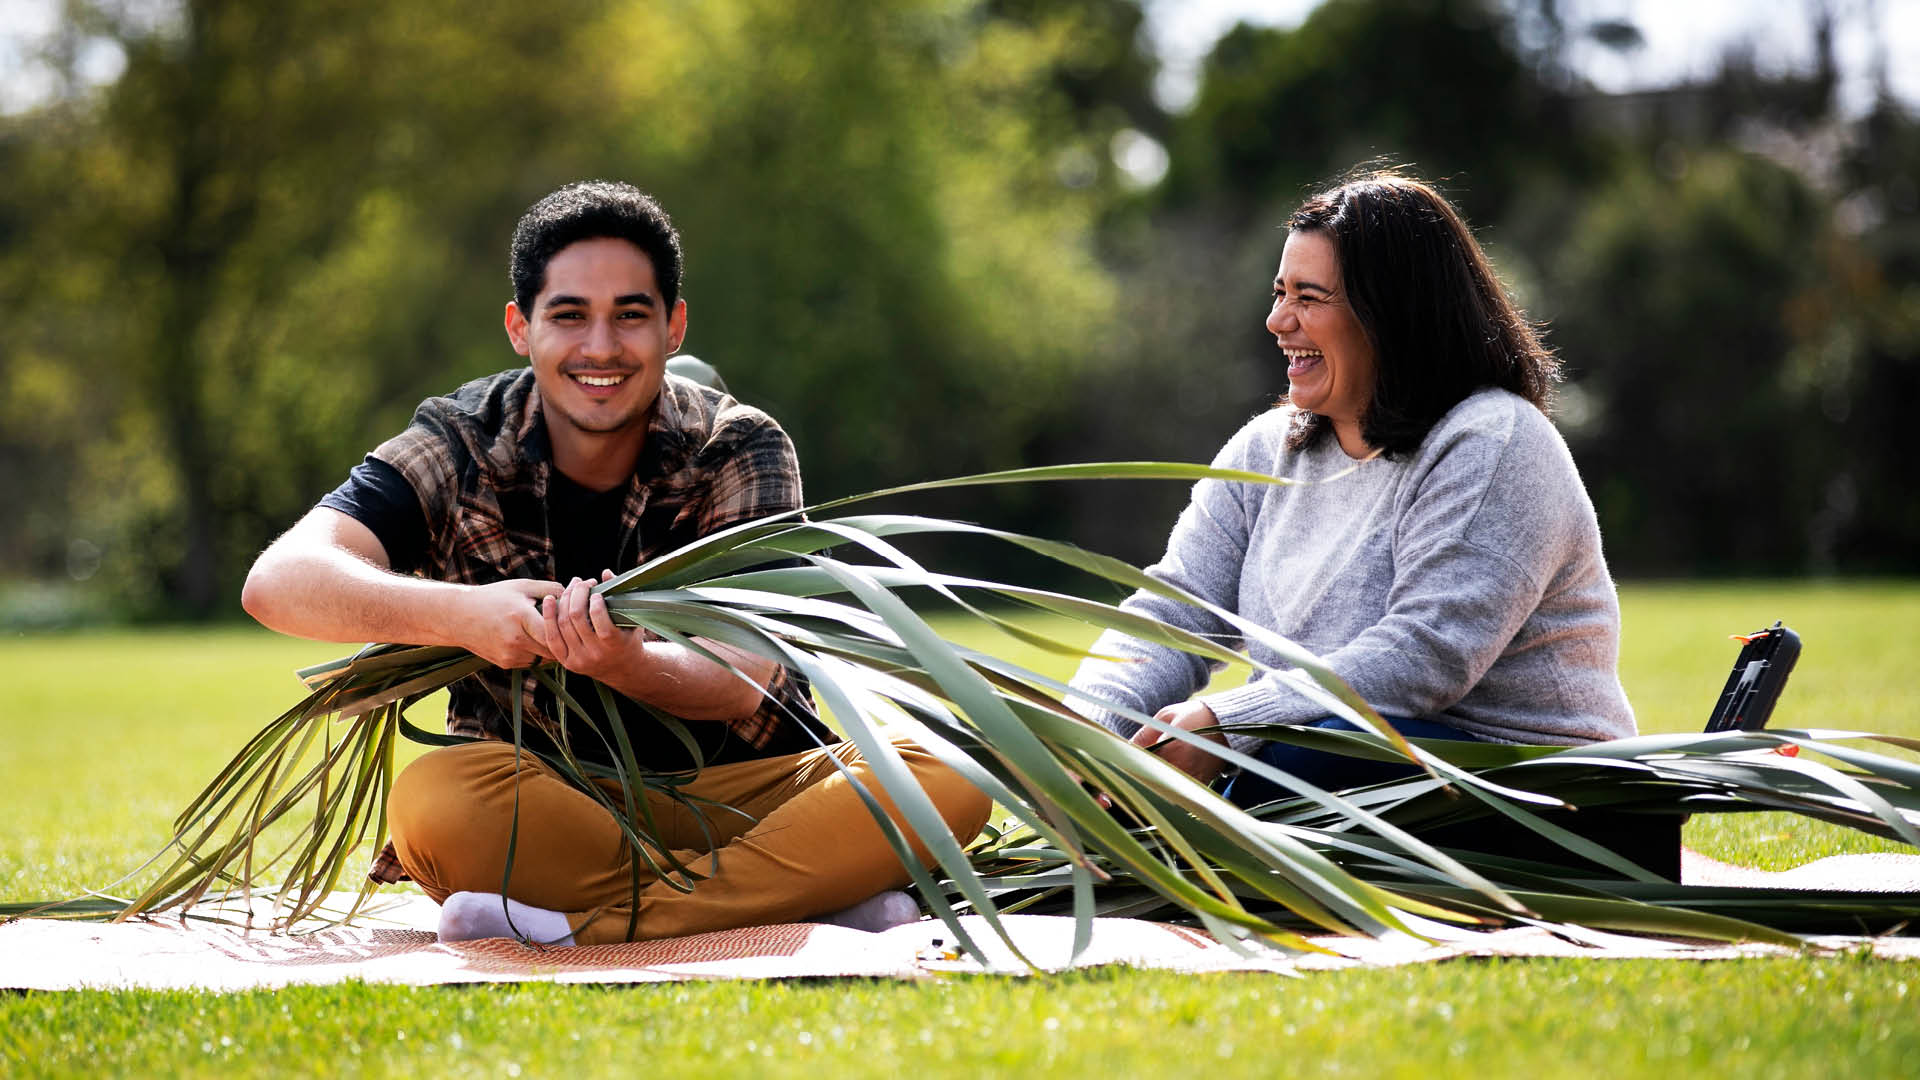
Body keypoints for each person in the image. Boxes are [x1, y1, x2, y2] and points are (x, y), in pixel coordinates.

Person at [242, 180, 990, 946]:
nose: (600, 347)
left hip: (751, 791)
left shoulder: (738, 445)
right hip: (553, 801)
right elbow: (280, 580)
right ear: (519, 328)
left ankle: (589, 924)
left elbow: (744, 679)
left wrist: (626, 665)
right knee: (433, 801)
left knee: (952, 768)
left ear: (674, 326)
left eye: (631, 315)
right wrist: (462, 614)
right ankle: (796, 896)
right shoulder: (459, 440)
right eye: (569, 315)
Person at [1067, 170, 1635, 808]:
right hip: (1324, 761)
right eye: (1280, 292)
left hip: (1536, 798)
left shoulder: (1494, 441)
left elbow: (1425, 653)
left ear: (1390, 315)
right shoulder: (1266, 449)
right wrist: (1083, 729)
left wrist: (1234, 721)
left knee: (1296, 762)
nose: (1278, 319)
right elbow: (1172, 611)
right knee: (1271, 766)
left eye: (1309, 297)